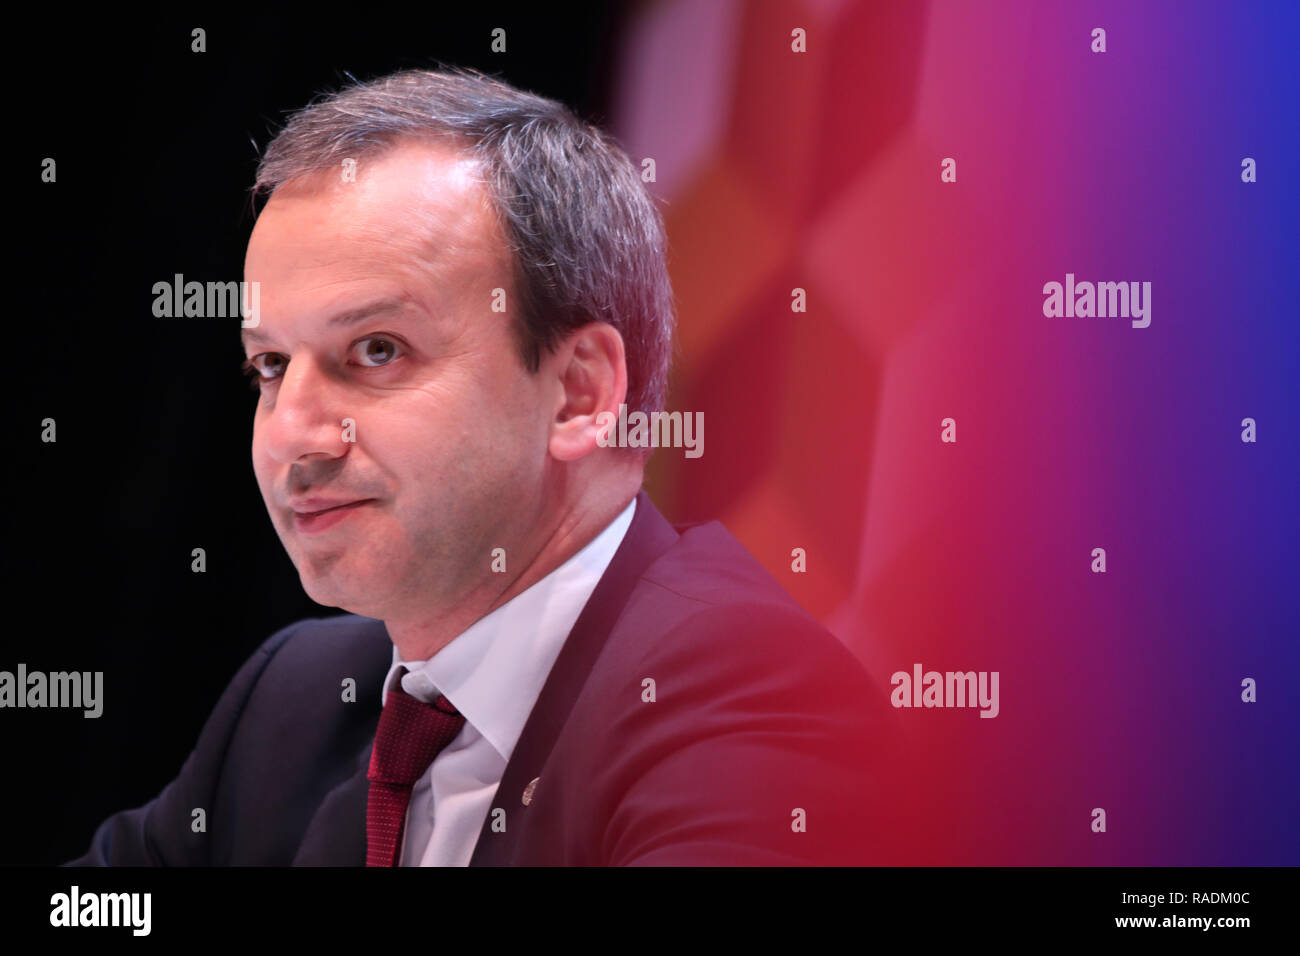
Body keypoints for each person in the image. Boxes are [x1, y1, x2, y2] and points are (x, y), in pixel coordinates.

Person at [67, 66, 900, 866]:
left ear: (579, 395)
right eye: (272, 366)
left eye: (377, 350)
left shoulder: (751, 709)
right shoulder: (297, 700)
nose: (294, 435)